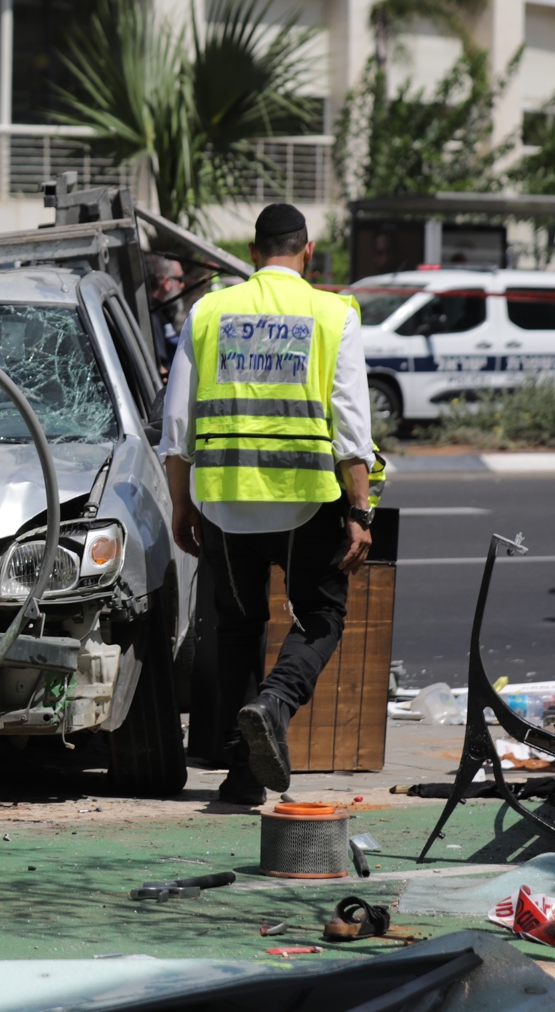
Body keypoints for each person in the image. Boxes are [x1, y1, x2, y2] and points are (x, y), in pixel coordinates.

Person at [160, 203, 373, 807]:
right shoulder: (334, 314)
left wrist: (183, 504)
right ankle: (274, 703)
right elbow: (351, 426)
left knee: (237, 629)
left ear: (252, 254)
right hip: (307, 501)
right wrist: (360, 510)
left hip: (225, 500)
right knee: (321, 618)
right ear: (307, 253)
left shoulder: (209, 311)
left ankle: (242, 774)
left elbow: (177, 424)